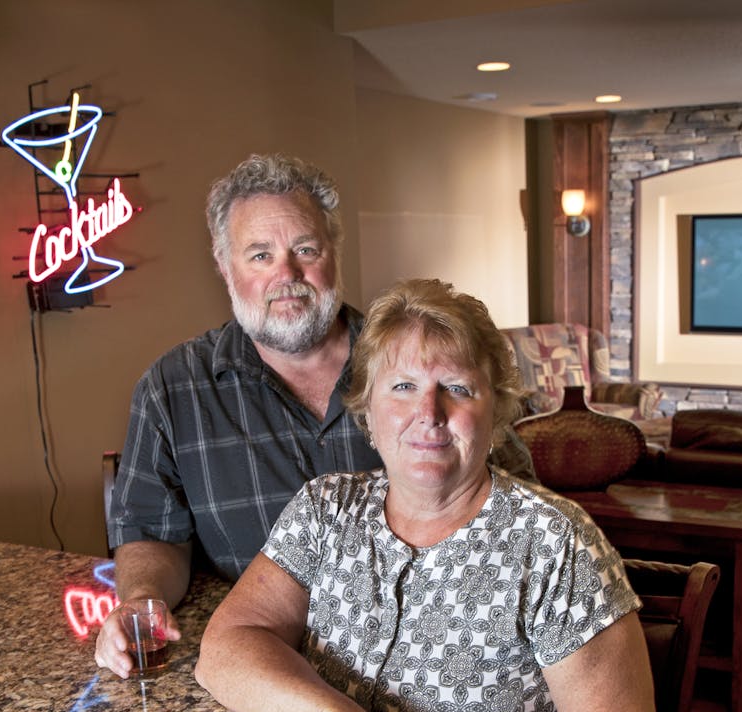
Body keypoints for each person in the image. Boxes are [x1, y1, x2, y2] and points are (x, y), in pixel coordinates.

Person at [195, 278, 675, 712]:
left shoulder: (552, 540)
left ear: (498, 408)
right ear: (364, 409)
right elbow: (228, 644)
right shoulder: (327, 510)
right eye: (402, 388)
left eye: (458, 386)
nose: (430, 412)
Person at [95, 154, 532, 678]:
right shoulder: (174, 388)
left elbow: (520, 501)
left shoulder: (419, 365)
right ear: (223, 263)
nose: (288, 275)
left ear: (333, 253)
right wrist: (142, 602)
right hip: (262, 662)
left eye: (305, 249)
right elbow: (151, 531)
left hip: (436, 661)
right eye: (260, 255)